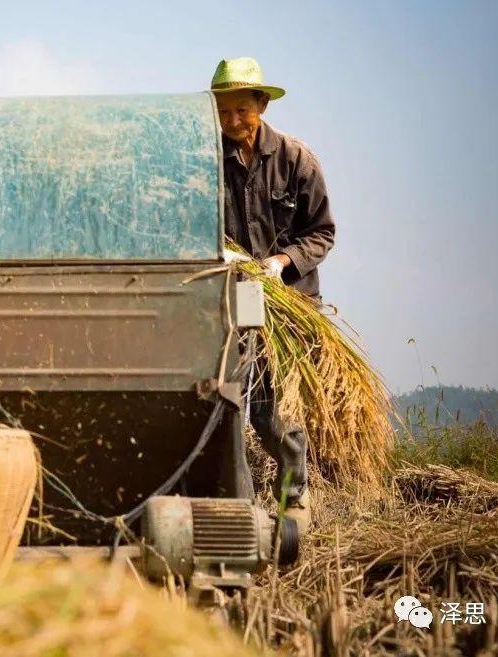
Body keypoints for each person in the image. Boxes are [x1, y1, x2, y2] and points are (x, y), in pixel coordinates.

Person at [210, 57, 336, 534]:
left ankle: (294, 496)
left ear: (261, 104)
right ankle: (231, 501)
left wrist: (280, 263)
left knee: (269, 410)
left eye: (241, 110)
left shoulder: (296, 160)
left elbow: (321, 233)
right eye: (223, 113)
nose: (233, 122)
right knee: (221, 402)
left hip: (287, 305)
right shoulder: (207, 163)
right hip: (225, 299)